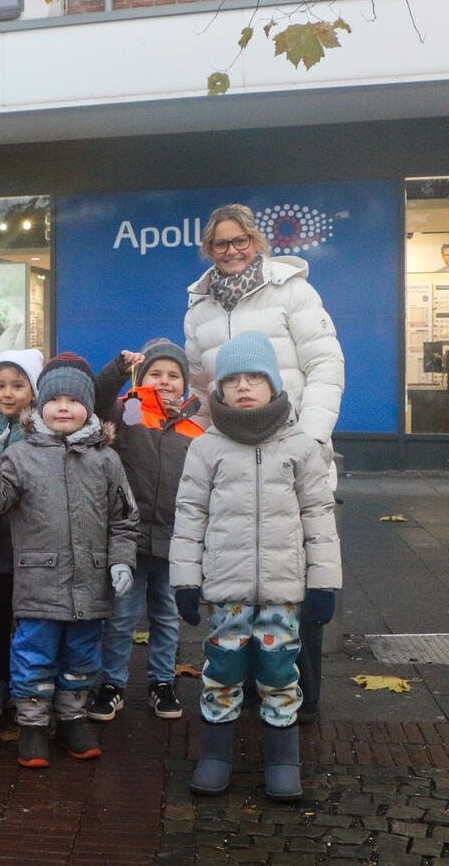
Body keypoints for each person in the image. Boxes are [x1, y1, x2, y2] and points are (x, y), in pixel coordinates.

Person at [184, 202, 344, 721]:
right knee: (234, 578)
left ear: (256, 242)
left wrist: (313, 439)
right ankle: (240, 698)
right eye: (220, 244)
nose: (231, 251)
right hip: (230, 459)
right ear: (209, 249)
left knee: (292, 574)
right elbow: (199, 385)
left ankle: (298, 706)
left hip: (290, 454)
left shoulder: (293, 291)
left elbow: (325, 364)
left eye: (240, 241)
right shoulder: (200, 308)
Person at [169, 331, 341, 800]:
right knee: (222, 668)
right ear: (218, 389)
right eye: (234, 379)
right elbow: (189, 516)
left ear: (273, 385)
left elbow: (318, 517)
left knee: (280, 671)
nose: (244, 387)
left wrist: (324, 583)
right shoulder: (207, 447)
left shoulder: (300, 445)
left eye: (255, 378)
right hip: (227, 589)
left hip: (285, 590)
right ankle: (216, 754)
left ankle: (284, 759)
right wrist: (185, 580)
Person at [0, 353, 139, 768]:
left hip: (90, 584)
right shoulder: (21, 455)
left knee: (83, 656)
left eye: (74, 400)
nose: (64, 407)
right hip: (38, 585)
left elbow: (124, 519)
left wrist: (121, 561)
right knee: (33, 655)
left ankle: (72, 719)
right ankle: (31, 724)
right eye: (55, 400)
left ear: (89, 408)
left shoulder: (106, 459)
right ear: (40, 406)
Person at [89, 338, 203, 723]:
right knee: (121, 618)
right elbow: (98, 401)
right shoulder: (127, 413)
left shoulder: (195, 429)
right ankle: (112, 683)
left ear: (185, 382)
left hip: (175, 542)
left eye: (174, 375)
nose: (166, 380)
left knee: (167, 618)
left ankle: (161, 682)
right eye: (156, 373)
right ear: (142, 377)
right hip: (130, 542)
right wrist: (118, 369)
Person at [0, 348, 43, 719]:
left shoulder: (37, 432)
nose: (7, 393)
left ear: (32, 391)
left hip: (26, 545)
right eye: (0, 385)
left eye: (18, 385)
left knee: (28, 619)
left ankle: (27, 684)